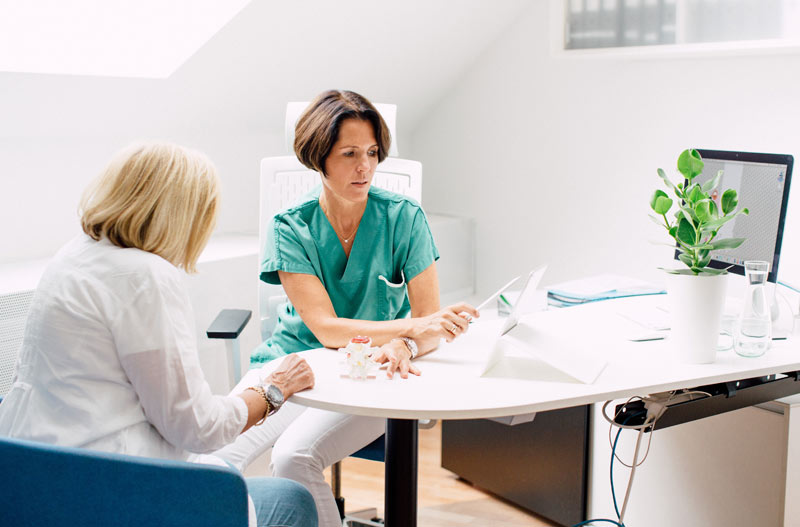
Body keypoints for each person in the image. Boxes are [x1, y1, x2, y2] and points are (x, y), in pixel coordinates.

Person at [0, 143, 318, 527]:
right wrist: (272, 391)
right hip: (109, 492)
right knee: (290, 498)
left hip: (30, 480)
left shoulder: (72, 256)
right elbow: (198, 428)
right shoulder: (145, 277)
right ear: (187, 215)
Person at [214, 90, 479, 526]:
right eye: (350, 153)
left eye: (373, 153)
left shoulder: (404, 217)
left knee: (293, 458)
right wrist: (412, 327)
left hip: (371, 374)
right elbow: (326, 329)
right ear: (319, 158)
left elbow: (430, 327)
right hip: (293, 365)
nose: (366, 167)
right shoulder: (291, 227)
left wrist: (407, 346)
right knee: (211, 456)